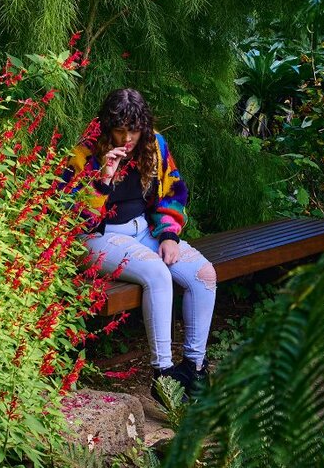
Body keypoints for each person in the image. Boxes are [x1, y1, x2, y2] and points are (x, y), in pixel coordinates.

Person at [64, 88, 217, 399]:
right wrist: (104, 177)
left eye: (134, 129)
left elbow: (173, 192)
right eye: (120, 130)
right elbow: (73, 218)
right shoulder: (83, 152)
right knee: (157, 274)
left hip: (145, 231)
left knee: (204, 275)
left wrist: (170, 236)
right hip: (96, 238)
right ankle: (163, 375)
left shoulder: (154, 145)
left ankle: (194, 370)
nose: (127, 138)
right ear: (106, 126)